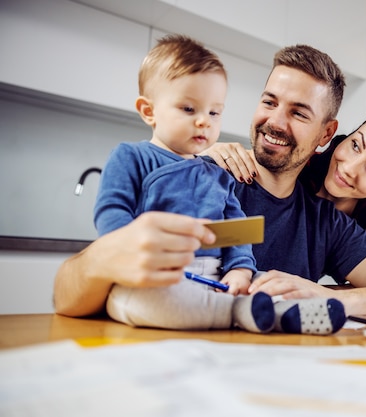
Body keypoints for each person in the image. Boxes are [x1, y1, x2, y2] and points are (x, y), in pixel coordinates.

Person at [53, 43, 366, 322]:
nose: (275, 122)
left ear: (326, 134)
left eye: (299, 113)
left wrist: (325, 296)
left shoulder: (324, 223)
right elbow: (66, 296)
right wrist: (109, 256)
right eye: (270, 103)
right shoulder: (203, 178)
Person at [93, 34, 345, 335]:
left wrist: (240, 269)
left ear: (326, 133)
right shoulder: (131, 157)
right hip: (154, 277)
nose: (204, 122)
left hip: (216, 277)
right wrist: (129, 251)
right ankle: (246, 314)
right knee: (137, 301)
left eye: (214, 112)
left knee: (262, 282)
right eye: (189, 109)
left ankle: (285, 311)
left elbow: (237, 231)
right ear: (149, 111)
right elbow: (111, 212)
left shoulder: (220, 176)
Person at [210, 108, 366, 275]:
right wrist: (202, 157)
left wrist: (327, 294)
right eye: (355, 145)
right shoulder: (298, 165)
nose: (349, 168)